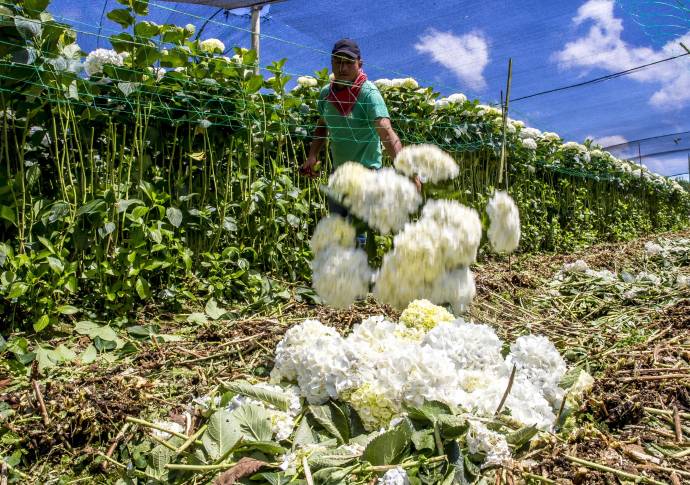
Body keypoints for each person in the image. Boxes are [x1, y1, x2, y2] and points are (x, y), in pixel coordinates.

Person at [300, 38, 418, 220]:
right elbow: (322, 125)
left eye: (348, 63)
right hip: (339, 174)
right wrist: (313, 155)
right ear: (331, 63)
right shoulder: (326, 95)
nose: (342, 68)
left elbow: (386, 132)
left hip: (367, 175)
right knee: (339, 230)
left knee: (358, 234)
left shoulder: (369, 94)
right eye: (338, 62)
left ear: (359, 64)